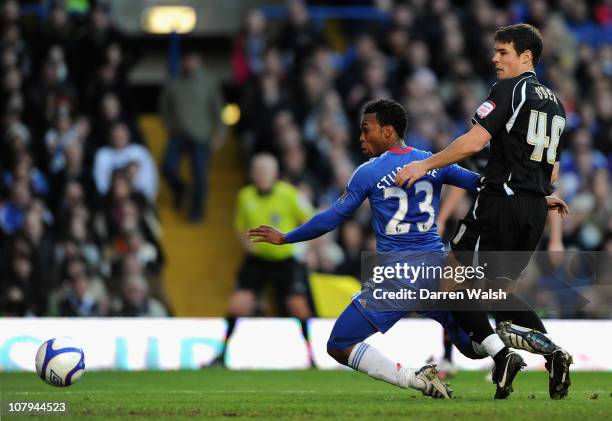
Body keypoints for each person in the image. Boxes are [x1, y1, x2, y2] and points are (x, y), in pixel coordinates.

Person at [248, 99, 492, 399]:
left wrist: (287, 238)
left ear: (388, 131)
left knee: (339, 344)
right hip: (435, 270)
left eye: (367, 130)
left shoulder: (369, 172)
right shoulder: (433, 162)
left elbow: (332, 217)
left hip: (397, 276)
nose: (361, 138)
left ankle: (417, 380)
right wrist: (535, 199)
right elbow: (483, 186)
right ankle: (511, 341)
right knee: (474, 347)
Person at [395, 24, 573, 399]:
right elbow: (551, 169)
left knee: (451, 287)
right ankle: (553, 353)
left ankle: (502, 356)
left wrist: (425, 166)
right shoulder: (556, 103)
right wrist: (536, 196)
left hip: (497, 205)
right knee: (497, 296)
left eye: (503, 52)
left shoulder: (509, 89)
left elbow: (475, 141)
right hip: (532, 211)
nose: (495, 59)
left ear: (526, 56)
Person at [213, 153, 314, 367]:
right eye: (257, 171)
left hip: (285, 259)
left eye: (265, 171)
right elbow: (240, 226)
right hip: (258, 260)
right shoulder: (245, 196)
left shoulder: (289, 194)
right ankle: (221, 355)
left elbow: (310, 220)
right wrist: (246, 245)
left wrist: (304, 248)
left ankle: (312, 356)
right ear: (252, 173)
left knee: (298, 307)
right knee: (238, 304)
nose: (261, 175)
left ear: (274, 173)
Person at [159, 51, 226, 222]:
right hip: (178, 135)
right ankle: (181, 190)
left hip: (201, 136)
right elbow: (164, 108)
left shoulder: (209, 82)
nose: (189, 63)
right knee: (167, 166)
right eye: (186, 60)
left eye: (192, 59)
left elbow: (218, 111)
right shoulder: (174, 82)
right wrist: (171, 126)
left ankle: (197, 212)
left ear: (199, 61)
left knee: (200, 176)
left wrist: (220, 134)